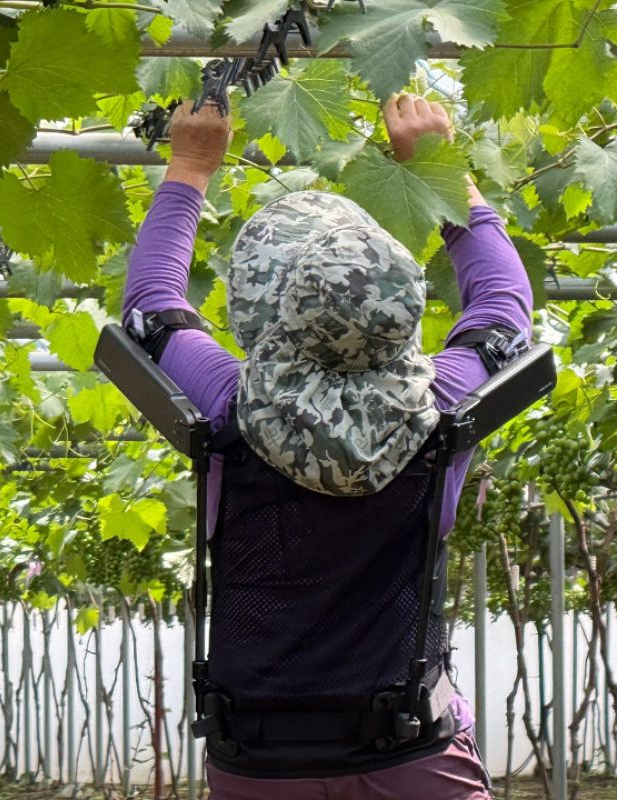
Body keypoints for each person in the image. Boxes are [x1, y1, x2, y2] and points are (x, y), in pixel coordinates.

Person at [122, 94, 533, 799]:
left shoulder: (229, 404)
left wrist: (190, 164)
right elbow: (502, 309)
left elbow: (151, 307)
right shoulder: (441, 406)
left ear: (261, 301)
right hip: (410, 752)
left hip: (258, 758)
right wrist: (441, 168)